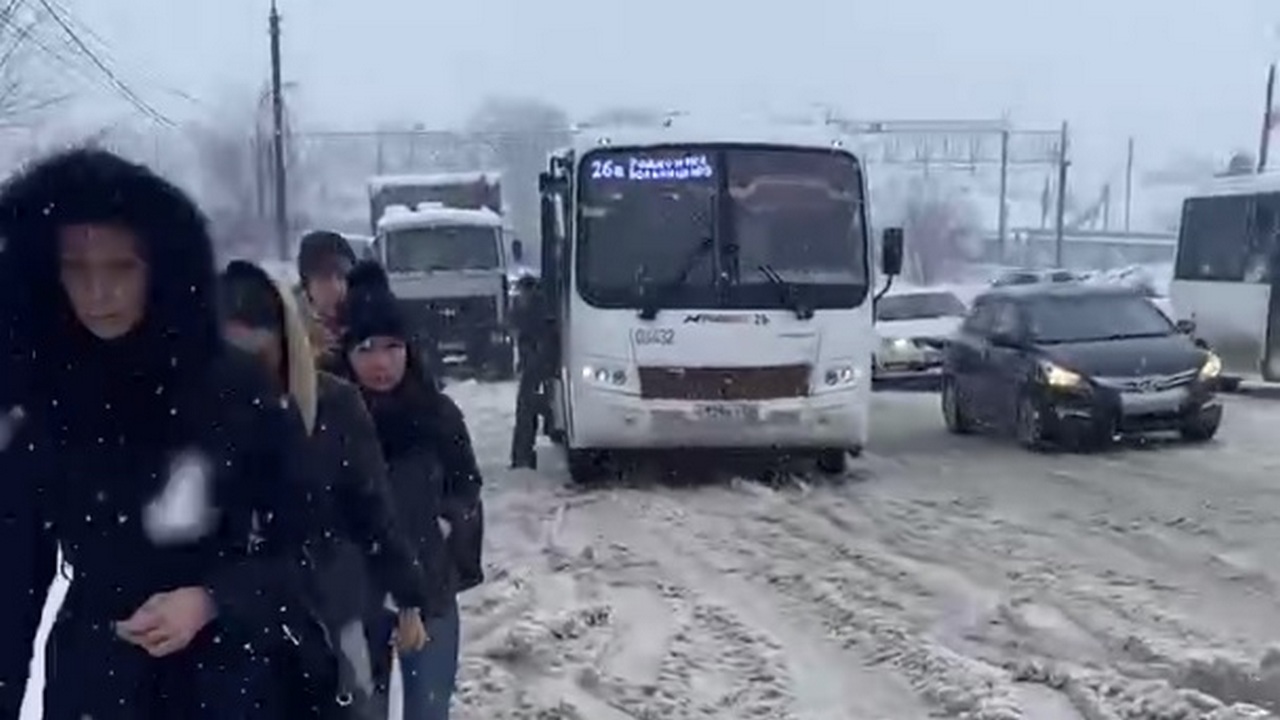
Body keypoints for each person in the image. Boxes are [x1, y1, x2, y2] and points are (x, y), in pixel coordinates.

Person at [0, 147, 331, 719]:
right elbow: (12, 580)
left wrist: (211, 599)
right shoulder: (46, 399)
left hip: (227, 680)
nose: (97, 292)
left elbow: (307, 547)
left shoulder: (232, 388)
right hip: (93, 682)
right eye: (76, 269)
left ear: (160, 269)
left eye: (119, 268)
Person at [219, 260, 450, 719]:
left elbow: (373, 510)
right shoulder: (203, 415)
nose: (244, 367)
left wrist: (408, 598)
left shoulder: (333, 404)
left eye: (257, 349)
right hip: (234, 618)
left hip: (332, 611)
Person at [337, 261, 485, 720]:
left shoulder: (438, 415)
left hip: (430, 592)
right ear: (347, 352)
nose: (381, 362)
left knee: (429, 710)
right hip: (353, 602)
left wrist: (446, 539)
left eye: (392, 347)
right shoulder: (328, 417)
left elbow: (467, 488)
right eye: (366, 348)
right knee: (360, 710)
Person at [298, 229, 358, 369]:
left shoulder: (368, 321)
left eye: (342, 276)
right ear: (307, 284)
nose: (336, 287)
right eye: (324, 277)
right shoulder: (292, 331)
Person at [509, 274, 551, 469]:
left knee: (527, 409)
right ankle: (523, 456)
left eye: (523, 291)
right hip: (535, 365)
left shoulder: (536, 310)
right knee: (528, 410)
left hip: (539, 366)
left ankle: (523, 457)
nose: (521, 296)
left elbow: (538, 338)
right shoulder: (531, 309)